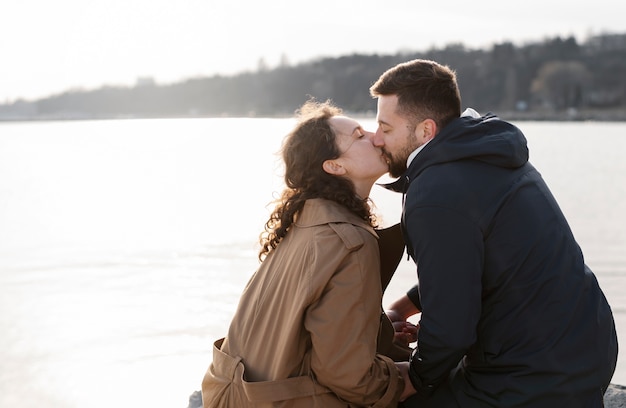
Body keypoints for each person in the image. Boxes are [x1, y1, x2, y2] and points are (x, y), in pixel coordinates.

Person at [369, 59, 618, 407]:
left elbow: (452, 330)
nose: (376, 139)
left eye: (386, 127)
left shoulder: (434, 194)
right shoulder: (487, 149)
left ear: (426, 130)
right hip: (591, 349)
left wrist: (416, 378)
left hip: (534, 381)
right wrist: (405, 304)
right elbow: (476, 261)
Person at [201, 99, 406, 407]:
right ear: (335, 166)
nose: (376, 137)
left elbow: (303, 333)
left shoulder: (303, 225)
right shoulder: (349, 240)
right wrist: (412, 377)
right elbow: (349, 377)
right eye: (359, 136)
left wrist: (379, 328)